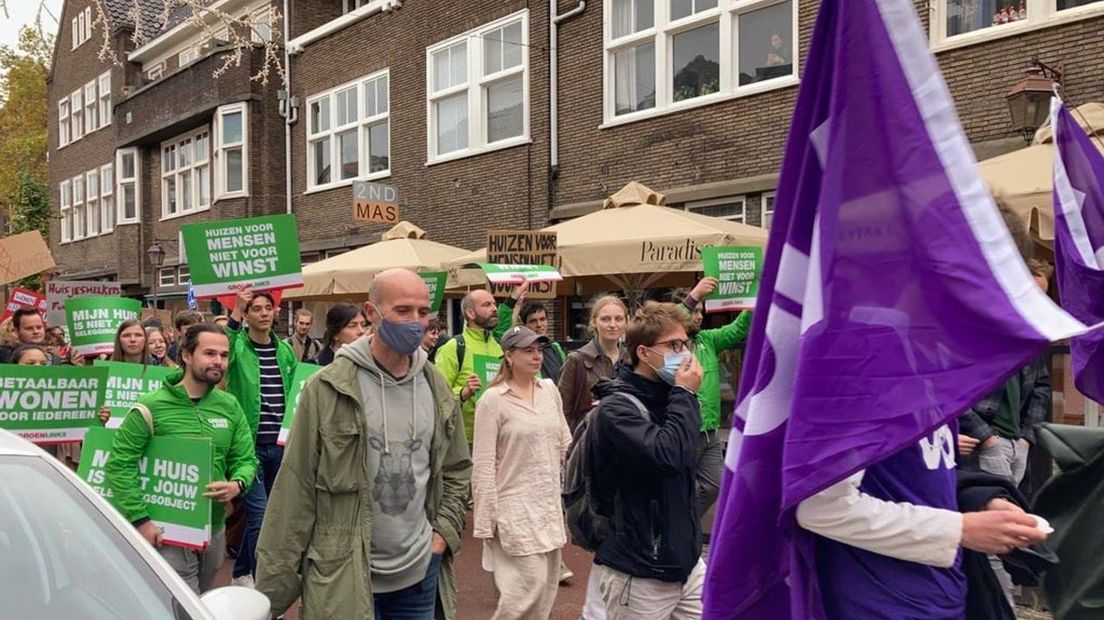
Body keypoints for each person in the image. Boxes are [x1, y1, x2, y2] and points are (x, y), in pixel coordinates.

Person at [256, 268, 471, 620]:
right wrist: (269, 597)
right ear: (372, 313)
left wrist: (442, 534)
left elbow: (457, 468)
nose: (416, 322)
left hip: (420, 573)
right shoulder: (327, 388)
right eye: (403, 311)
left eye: (422, 311)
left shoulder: (436, 386)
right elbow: (295, 490)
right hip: (344, 573)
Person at [103, 323, 258, 594]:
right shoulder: (151, 405)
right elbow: (120, 464)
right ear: (186, 355)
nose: (218, 361)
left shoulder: (230, 406)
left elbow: (246, 459)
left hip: (215, 526)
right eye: (209, 353)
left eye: (223, 355)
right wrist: (141, 519)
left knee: (205, 595)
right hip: (168, 530)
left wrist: (237, 484)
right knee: (183, 602)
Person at [581, 301, 705, 619]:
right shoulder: (616, 410)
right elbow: (667, 456)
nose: (685, 353)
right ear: (643, 353)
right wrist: (686, 395)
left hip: (686, 565)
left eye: (685, 343)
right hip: (639, 571)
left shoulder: (671, 398)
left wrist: (682, 397)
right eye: (674, 345)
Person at [958, 257, 1053, 606]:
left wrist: (1027, 435)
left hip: (1017, 441)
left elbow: (1041, 385)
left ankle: (1005, 600)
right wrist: (985, 434)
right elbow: (955, 385)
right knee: (996, 529)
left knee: (1009, 523)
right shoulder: (977, 325)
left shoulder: (1032, 332)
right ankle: (1005, 606)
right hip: (987, 439)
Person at [473, 325, 572, 619]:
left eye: (539, 350)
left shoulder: (549, 391)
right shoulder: (492, 401)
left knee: (544, 593)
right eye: (528, 350)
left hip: (548, 505)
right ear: (509, 356)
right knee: (523, 592)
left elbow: (564, 443)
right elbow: (483, 464)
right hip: (513, 510)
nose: (536, 356)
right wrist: (486, 521)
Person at [224, 288, 297, 588]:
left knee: (266, 516)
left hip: (278, 447)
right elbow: (222, 349)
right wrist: (235, 312)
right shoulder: (238, 347)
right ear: (248, 314)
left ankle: (241, 571)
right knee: (261, 515)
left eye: (268, 307)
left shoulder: (285, 351)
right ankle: (262, 582)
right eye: (257, 308)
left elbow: (294, 395)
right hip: (248, 447)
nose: (264, 313)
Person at [675, 277, 752, 519]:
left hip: (710, 431)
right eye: (694, 311)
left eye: (701, 311)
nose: (699, 316)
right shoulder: (671, 344)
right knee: (676, 489)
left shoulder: (707, 340)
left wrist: (753, 300)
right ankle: (675, 531)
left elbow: (738, 329)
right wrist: (694, 294)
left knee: (713, 485)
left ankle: (681, 524)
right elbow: (671, 319)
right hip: (684, 432)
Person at [436, 289, 506, 444]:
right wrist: (463, 392)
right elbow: (438, 395)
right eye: (487, 305)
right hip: (465, 440)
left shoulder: (498, 347)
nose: (494, 309)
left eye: (494, 304)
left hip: (499, 436)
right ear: (471, 313)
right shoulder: (454, 347)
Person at [558, 295, 629, 432]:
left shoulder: (631, 360)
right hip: (587, 440)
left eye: (618, 319)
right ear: (593, 322)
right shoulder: (576, 360)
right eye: (605, 319)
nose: (613, 325)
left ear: (626, 322)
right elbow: (562, 411)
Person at [514, 300, 568, 381]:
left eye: (542, 319)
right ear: (524, 325)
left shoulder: (555, 348)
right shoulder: (520, 350)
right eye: (533, 321)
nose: (539, 325)